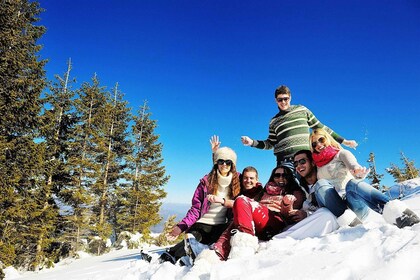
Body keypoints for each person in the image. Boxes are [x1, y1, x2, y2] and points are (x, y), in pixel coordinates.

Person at [142, 146, 241, 265]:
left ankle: (182, 258)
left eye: (228, 162)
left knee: (212, 243)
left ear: (232, 165)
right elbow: (196, 208)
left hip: (221, 225)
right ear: (216, 163)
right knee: (194, 238)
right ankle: (166, 258)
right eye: (221, 161)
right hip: (202, 223)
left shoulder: (237, 182)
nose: (224, 164)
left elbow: (251, 181)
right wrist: (181, 227)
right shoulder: (206, 182)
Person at [310, 127, 420, 228]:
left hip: (353, 205)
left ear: (328, 138)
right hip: (334, 208)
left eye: (321, 140)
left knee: (353, 183)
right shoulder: (316, 165)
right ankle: (348, 221)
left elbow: (352, 164)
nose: (318, 145)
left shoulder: (341, 154)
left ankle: (400, 215)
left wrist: (357, 170)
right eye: (314, 144)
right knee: (320, 184)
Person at [241, 85, 357, 165]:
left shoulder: (302, 110)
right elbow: (270, 143)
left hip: (305, 157)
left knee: (312, 190)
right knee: (290, 194)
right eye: (280, 100)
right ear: (276, 100)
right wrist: (252, 142)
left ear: (290, 97)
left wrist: (344, 141)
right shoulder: (274, 121)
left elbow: (321, 127)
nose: (283, 102)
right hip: (284, 161)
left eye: (285, 99)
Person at [227, 161, 305, 259]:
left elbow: (290, 215)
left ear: (290, 177)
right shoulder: (265, 191)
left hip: (275, 221)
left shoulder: (295, 192)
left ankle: (245, 248)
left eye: (285, 175)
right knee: (237, 215)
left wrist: (286, 204)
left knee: (241, 200)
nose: (280, 178)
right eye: (277, 175)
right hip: (259, 218)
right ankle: (218, 251)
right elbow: (247, 204)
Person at [274, 149, 339, 239]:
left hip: (330, 218)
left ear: (312, 163)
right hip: (311, 222)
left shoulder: (326, 181)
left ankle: (283, 240)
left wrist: (307, 214)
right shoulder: (300, 187)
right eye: (296, 164)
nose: (299, 166)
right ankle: (281, 238)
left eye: (302, 161)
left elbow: (334, 207)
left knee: (326, 214)